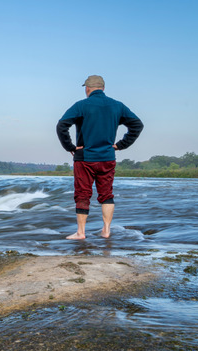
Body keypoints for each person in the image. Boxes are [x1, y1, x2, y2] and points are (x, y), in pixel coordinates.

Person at [56, 75, 143, 240]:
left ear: (87, 88)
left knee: (83, 194)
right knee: (107, 194)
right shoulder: (117, 106)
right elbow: (137, 125)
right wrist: (121, 144)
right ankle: (106, 230)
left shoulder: (81, 105)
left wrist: (70, 147)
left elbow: (62, 125)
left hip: (85, 158)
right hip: (107, 157)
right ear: (103, 88)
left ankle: (81, 232)